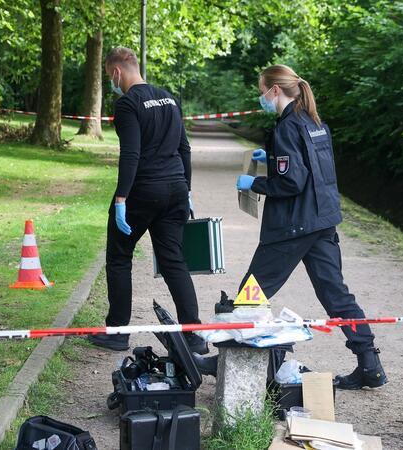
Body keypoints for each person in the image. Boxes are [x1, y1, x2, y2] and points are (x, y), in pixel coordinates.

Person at [235, 64, 387, 389]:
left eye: (262, 91)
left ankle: (236, 369)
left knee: (249, 295)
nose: (260, 97)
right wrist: (273, 156)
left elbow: (291, 181)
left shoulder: (286, 127)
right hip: (322, 221)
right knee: (336, 295)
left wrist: (255, 183)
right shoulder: (313, 121)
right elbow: (309, 167)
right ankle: (370, 364)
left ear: (275, 90)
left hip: (293, 226)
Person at [88, 47, 207, 354]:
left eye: (108, 76)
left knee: (119, 257)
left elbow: (131, 153)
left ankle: (117, 332)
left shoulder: (128, 104)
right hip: (176, 190)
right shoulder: (169, 98)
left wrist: (121, 199)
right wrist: (188, 189)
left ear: (117, 72)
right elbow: (185, 149)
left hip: (144, 190)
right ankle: (193, 334)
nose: (111, 82)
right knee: (173, 261)